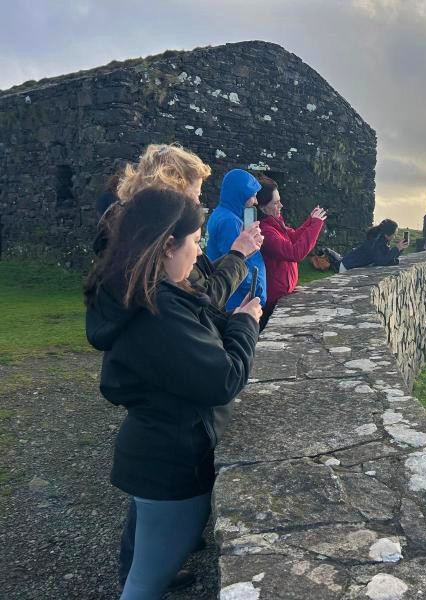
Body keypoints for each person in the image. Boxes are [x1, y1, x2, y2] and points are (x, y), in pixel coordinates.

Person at [94, 144, 263, 591]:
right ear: (168, 240)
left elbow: (198, 306)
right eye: (195, 238)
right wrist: (244, 325)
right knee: (145, 581)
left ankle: (147, 567)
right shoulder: (157, 302)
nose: (200, 248)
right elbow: (220, 376)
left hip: (157, 445)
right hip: (171, 454)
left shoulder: (139, 277)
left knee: (151, 556)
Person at [96, 143, 263, 313]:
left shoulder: (143, 233)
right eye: (195, 195)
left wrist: (239, 254)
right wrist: (238, 255)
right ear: (173, 190)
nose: (198, 203)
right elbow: (202, 299)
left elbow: (200, 275)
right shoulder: (160, 242)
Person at [257, 176, 327, 322]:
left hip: (281, 295)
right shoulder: (265, 231)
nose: (281, 205)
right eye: (276, 203)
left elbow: (293, 237)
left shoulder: (275, 224)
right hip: (272, 302)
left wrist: (310, 221)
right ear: (263, 208)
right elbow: (295, 253)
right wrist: (315, 224)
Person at [205, 169, 267, 312]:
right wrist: (256, 291)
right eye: (253, 196)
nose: (256, 201)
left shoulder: (223, 214)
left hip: (236, 295)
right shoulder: (230, 221)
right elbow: (235, 259)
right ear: (241, 194)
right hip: (238, 300)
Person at [339, 219, 409, 271]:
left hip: (354, 266)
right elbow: (381, 260)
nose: (395, 237)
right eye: (394, 234)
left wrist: (400, 249)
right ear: (387, 234)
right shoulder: (375, 241)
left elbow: (387, 257)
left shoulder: (382, 240)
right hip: (348, 267)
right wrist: (397, 248)